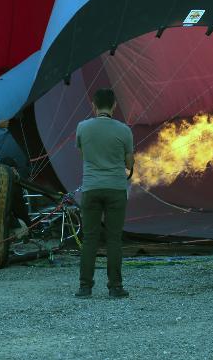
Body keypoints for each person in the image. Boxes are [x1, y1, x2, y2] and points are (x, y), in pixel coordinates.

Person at [75, 88, 134, 298]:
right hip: (116, 188)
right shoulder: (124, 130)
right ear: (114, 106)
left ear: (93, 105)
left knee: (90, 238)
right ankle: (115, 287)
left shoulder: (82, 127)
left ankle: (85, 287)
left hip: (91, 188)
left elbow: (84, 155)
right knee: (114, 239)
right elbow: (129, 163)